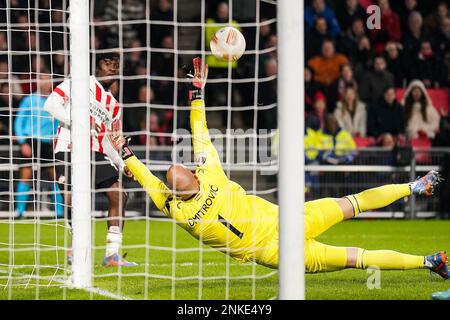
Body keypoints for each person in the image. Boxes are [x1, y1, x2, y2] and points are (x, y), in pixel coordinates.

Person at [106, 58, 449, 278]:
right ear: (193, 174)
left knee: (358, 258)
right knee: (355, 203)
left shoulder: (180, 214)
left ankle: (429, 261)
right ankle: (413, 187)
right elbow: (199, 132)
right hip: (287, 221)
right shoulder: (212, 176)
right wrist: (197, 93)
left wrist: (125, 152)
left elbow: (149, 181)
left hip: (277, 253)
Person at [43, 52, 136, 267]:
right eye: (107, 63)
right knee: (72, 198)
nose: (112, 68)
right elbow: (50, 105)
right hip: (70, 147)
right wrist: (80, 121)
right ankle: (75, 247)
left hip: (96, 153)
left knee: (119, 195)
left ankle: (112, 254)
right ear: (96, 67)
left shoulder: (114, 105)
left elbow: (112, 142)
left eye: (116, 65)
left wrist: (123, 165)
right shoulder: (78, 82)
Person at [13, 73, 63, 218]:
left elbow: (58, 123)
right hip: (31, 141)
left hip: (48, 143)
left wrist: (57, 139)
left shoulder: (55, 101)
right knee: (26, 175)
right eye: (43, 79)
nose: (46, 82)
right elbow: (18, 122)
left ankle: (59, 212)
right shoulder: (29, 100)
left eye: (48, 79)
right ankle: (20, 211)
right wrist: (23, 142)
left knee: (56, 177)